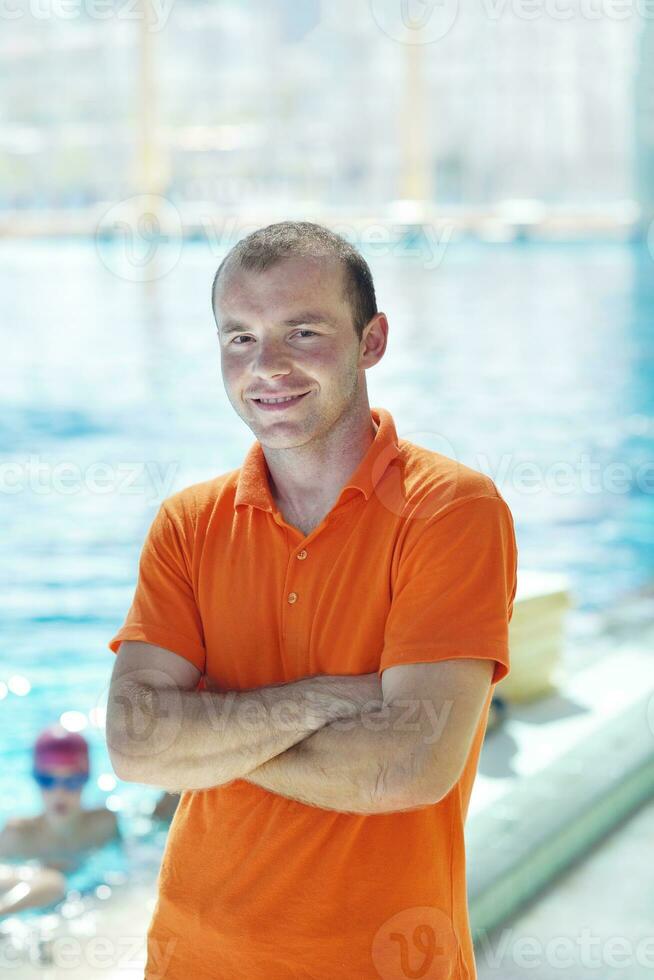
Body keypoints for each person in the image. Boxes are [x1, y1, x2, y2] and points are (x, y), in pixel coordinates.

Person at [106, 221, 518, 979]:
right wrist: (332, 698)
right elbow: (136, 746)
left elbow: (409, 766)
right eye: (240, 338)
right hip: (190, 955)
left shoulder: (450, 511)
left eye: (303, 331)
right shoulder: (189, 524)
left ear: (372, 341)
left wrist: (209, 741)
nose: (269, 366)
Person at [0, 725, 120, 875]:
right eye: (47, 780)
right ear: (36, 779)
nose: (59, 792)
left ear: (86, 779)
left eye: (72, 781)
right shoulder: (17, 837)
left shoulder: (103, 825)